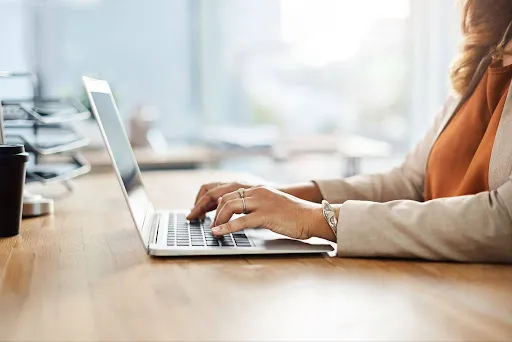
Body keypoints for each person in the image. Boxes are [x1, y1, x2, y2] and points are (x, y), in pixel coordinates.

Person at [188, 0, 512, 263]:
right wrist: (281, 195)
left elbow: (504, 222)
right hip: (441, 286)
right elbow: (411, 183)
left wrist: (316, 218)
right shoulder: (490, 52)